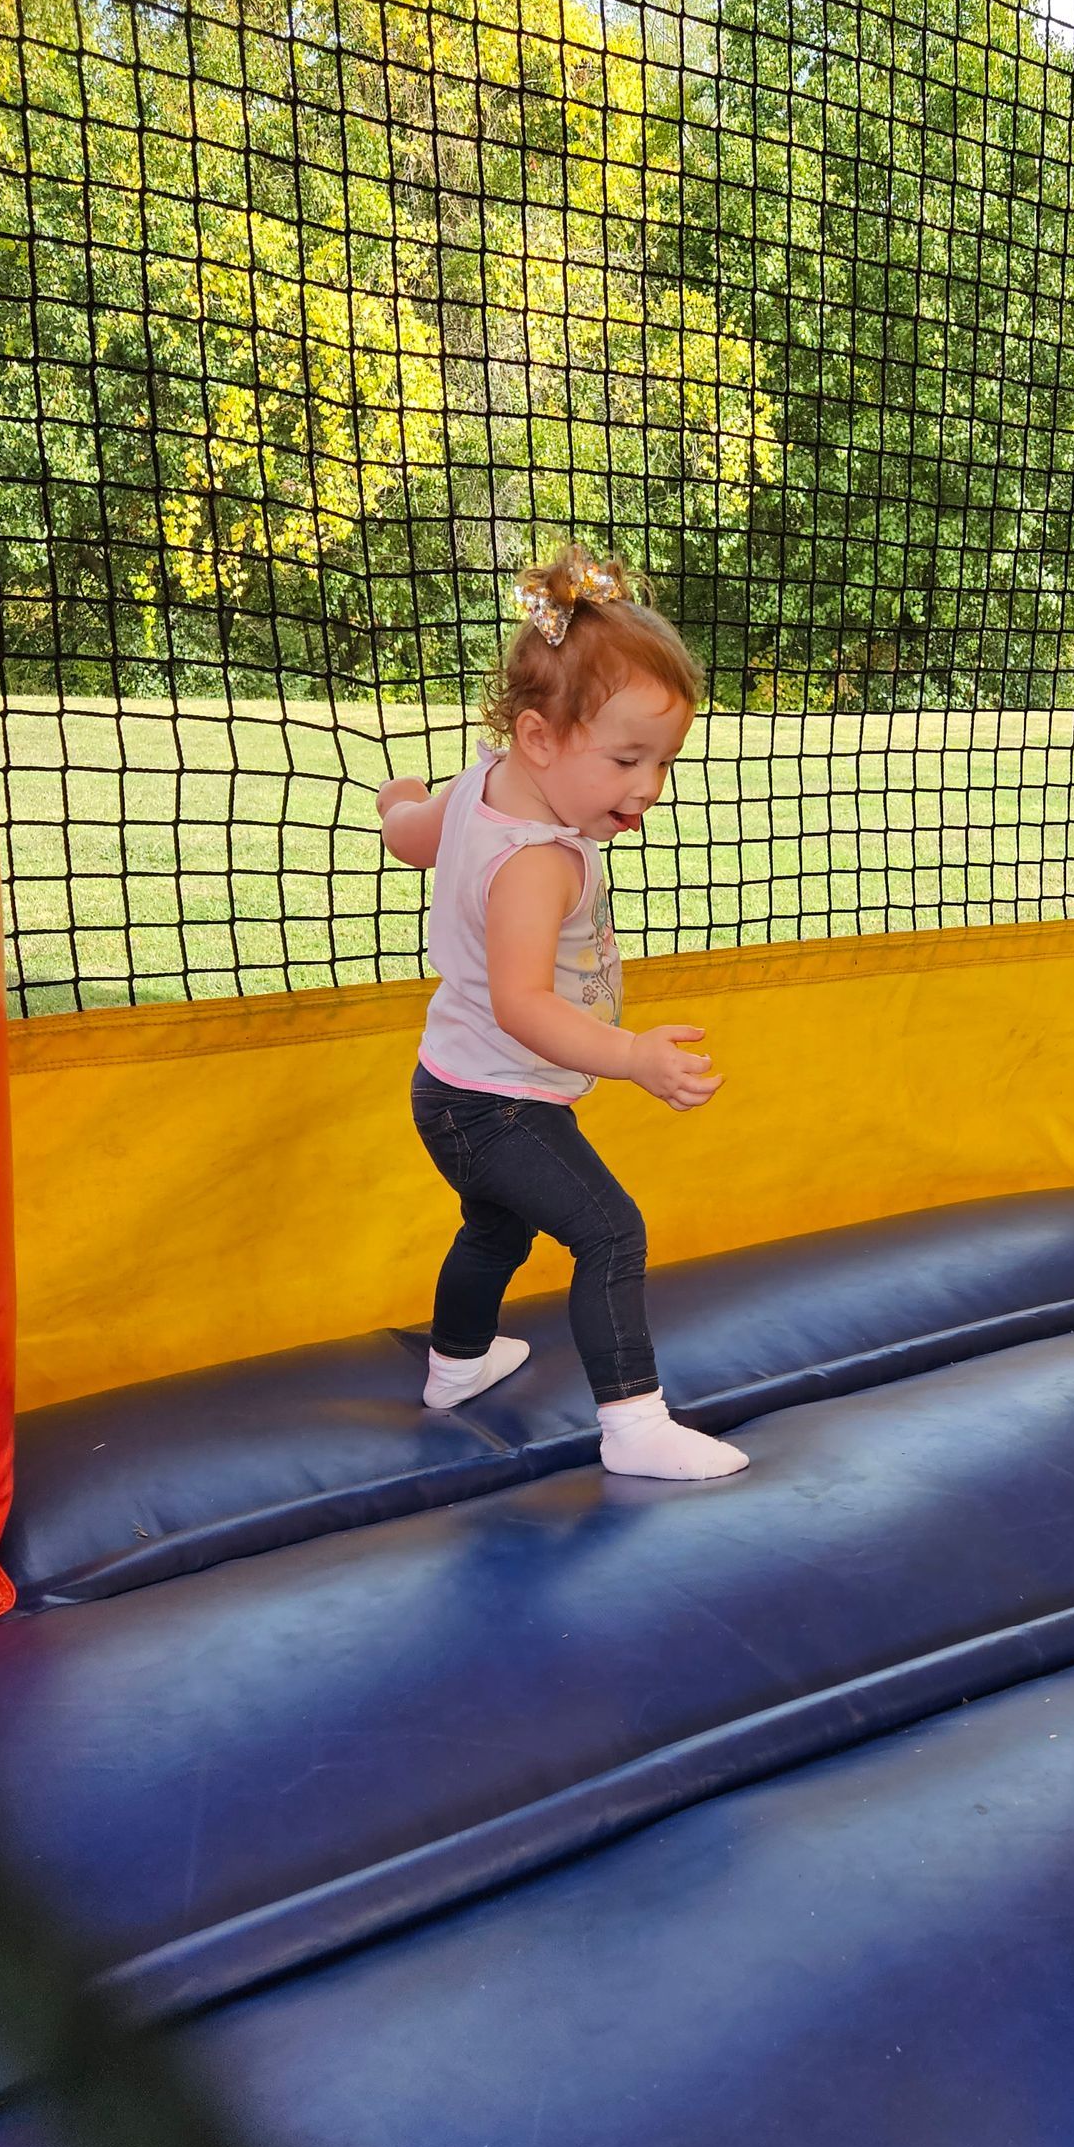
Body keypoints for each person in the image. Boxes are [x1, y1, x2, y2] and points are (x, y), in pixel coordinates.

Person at [376, 547, 748, 1482]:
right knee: (610, 1231)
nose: (648, 786)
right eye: (626, 759)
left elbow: (412, 840)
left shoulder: (480, 783)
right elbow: (522, 1003)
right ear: (540, 739)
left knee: (496, 1228)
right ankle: (635, 1426)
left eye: (663, 761)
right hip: (498, 1101)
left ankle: (456, 1365)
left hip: (450, 1086)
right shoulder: (539, 860)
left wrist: (398, 804)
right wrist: (630, 1056)